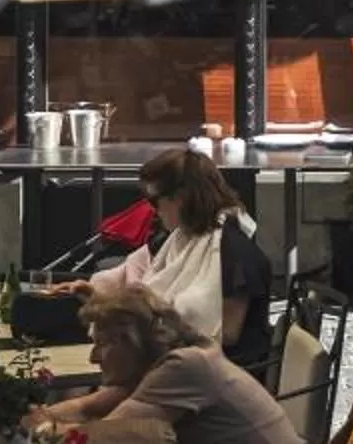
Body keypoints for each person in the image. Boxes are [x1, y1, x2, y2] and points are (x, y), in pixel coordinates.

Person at [50, 284, 321, 444]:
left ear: (131, 342)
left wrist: (32, 434)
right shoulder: (172, 362)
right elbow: (87, 409)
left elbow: (95, 442)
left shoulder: (183, 368)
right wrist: (43, 416)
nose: (93, 357)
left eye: (102, 344)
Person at [102, 150, 274, 374]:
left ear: (181, 197)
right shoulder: (179, 239)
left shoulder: (234, 251)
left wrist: (156, 321)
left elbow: (228, 333)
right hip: (182, 361)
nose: (152, 211)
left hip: (220, 374)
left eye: (154, 201)